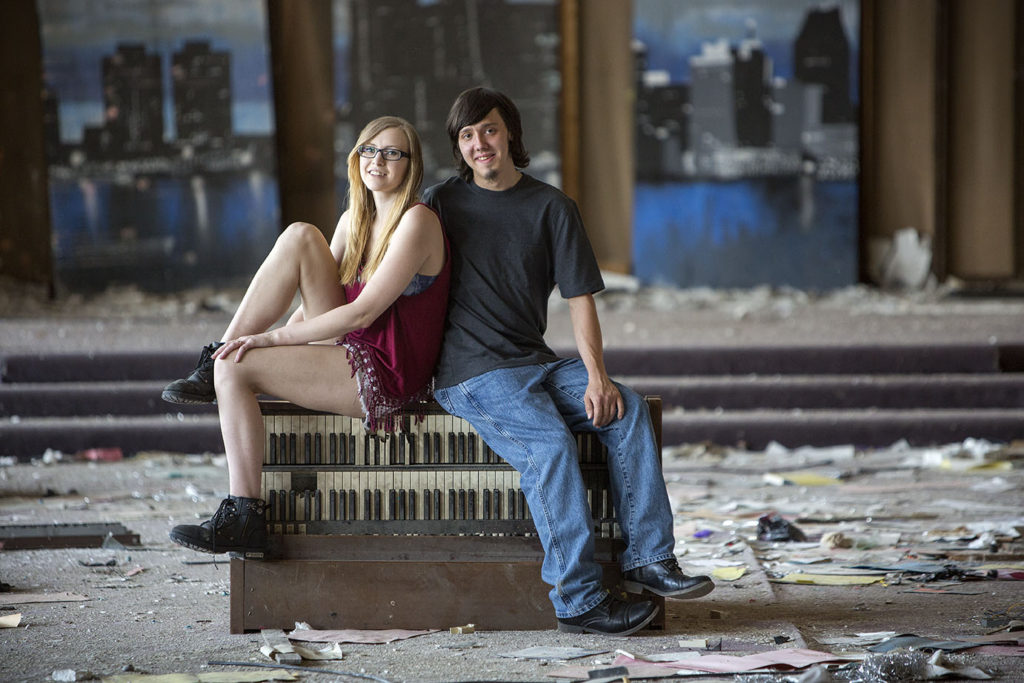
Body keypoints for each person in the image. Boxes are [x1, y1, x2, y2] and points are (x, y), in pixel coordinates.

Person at [421, 87, 713, 637]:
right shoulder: (439, 204)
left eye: (488, 129)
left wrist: (598, 377)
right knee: (549, 445)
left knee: (625, 408)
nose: (479, 143)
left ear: (510, 133)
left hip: (534, 361)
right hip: (471, 372)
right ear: (458, 148)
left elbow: (582, 302)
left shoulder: (552, 207)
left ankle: (649, 558)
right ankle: (578, 601)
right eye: (466, 135)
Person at [162, 116, 450, 559]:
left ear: (411, 166)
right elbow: (312, 304)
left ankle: (244, 516)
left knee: (235, 370)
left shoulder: (417, 222)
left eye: (393, 152)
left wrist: (272, 341)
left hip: (385, 371)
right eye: (370, 150)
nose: (379, 161)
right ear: (356, 158)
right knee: (300, 236)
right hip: (351, 346)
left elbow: (363, 311)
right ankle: (215, 356)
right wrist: (263, 339)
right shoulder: (356, 218)